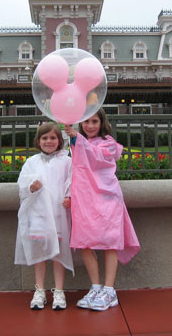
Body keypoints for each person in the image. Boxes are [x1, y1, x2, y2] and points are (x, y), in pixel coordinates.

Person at [64, 108, 140, 311]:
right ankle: (96, 287)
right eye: (86, 121)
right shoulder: (75, 141)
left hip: (107, 198)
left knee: (109, 243)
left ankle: (109, 290)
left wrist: (76, 138)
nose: (90, 125)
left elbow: (99, 158)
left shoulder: (108, 143)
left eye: (94, 121)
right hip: (84, 198)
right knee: (85, 242)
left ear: (102, 123)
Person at [15, 122, 73, 310]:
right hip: (38, 215)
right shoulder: (32, 161)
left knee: (58, 252)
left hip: (58, 214)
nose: (49, 141)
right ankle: (39, 289)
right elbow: (22, 183)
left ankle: (59, 290)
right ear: (38, 141)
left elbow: (72, 180)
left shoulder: (67, 161)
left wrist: (69, 196)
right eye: (45, 138)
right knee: (40, 253)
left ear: (59, 141)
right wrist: (31, 187)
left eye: (53, 138)